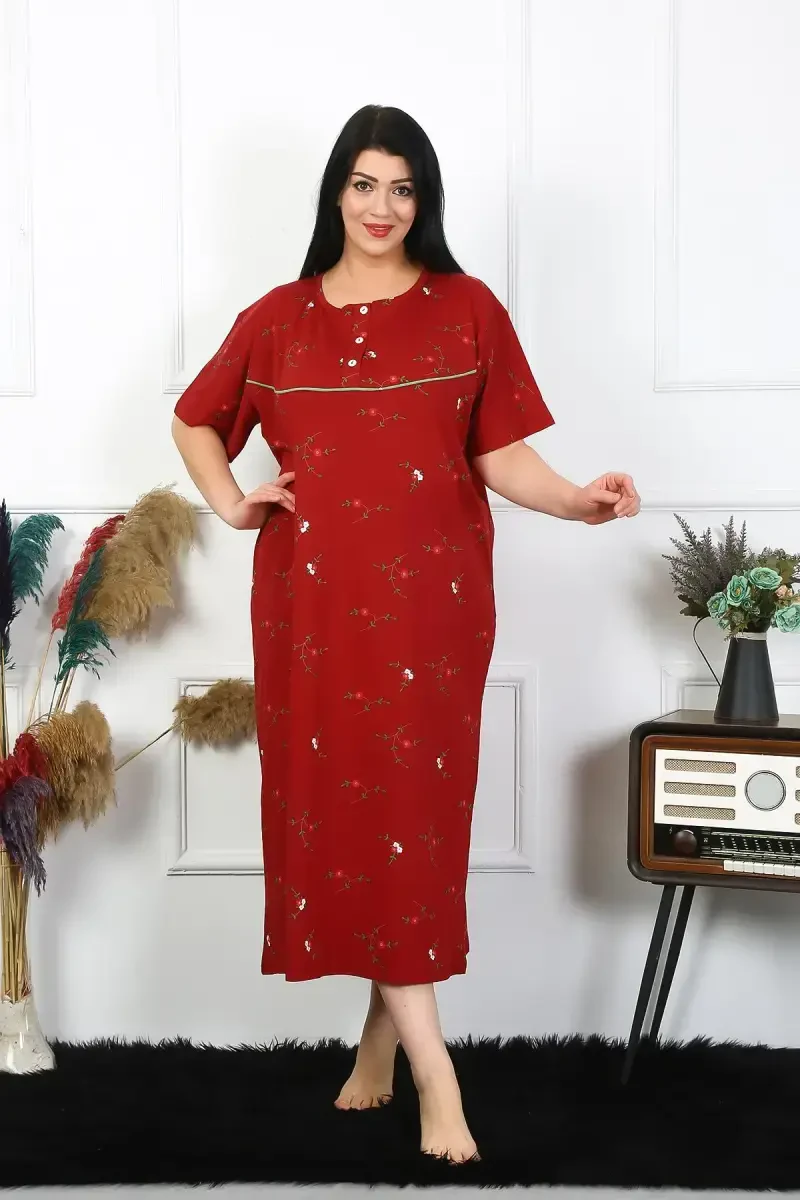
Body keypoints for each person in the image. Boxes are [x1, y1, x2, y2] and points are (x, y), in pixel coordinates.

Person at [172, 104, 641, 1164]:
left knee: (409, 821)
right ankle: (417, 1058)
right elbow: (195, 417)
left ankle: (408, 1055)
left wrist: (578, 502)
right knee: (342, 818)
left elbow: (497, 455)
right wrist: (232, 504)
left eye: (402, 188)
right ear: (335, 192)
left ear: (422, 201)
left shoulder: (465, 309)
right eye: (363, 184)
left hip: (432, 614)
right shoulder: (277, 320)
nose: (380, 208)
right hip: (310, 613)